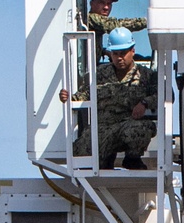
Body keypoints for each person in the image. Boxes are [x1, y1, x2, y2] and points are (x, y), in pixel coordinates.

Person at [60, 21, 157, 169]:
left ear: (132, 51)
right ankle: (105, 160)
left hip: (127, 126)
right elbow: (83, 94)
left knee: (143, 128)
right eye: (115, 54)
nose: (119, 58)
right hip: (102, 129)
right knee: (81, 155)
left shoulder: (146, 75)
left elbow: (165, 95)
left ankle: (132, 158)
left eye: (123, 53)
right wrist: (68, 98)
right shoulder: (99, 74)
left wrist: (144, 103)